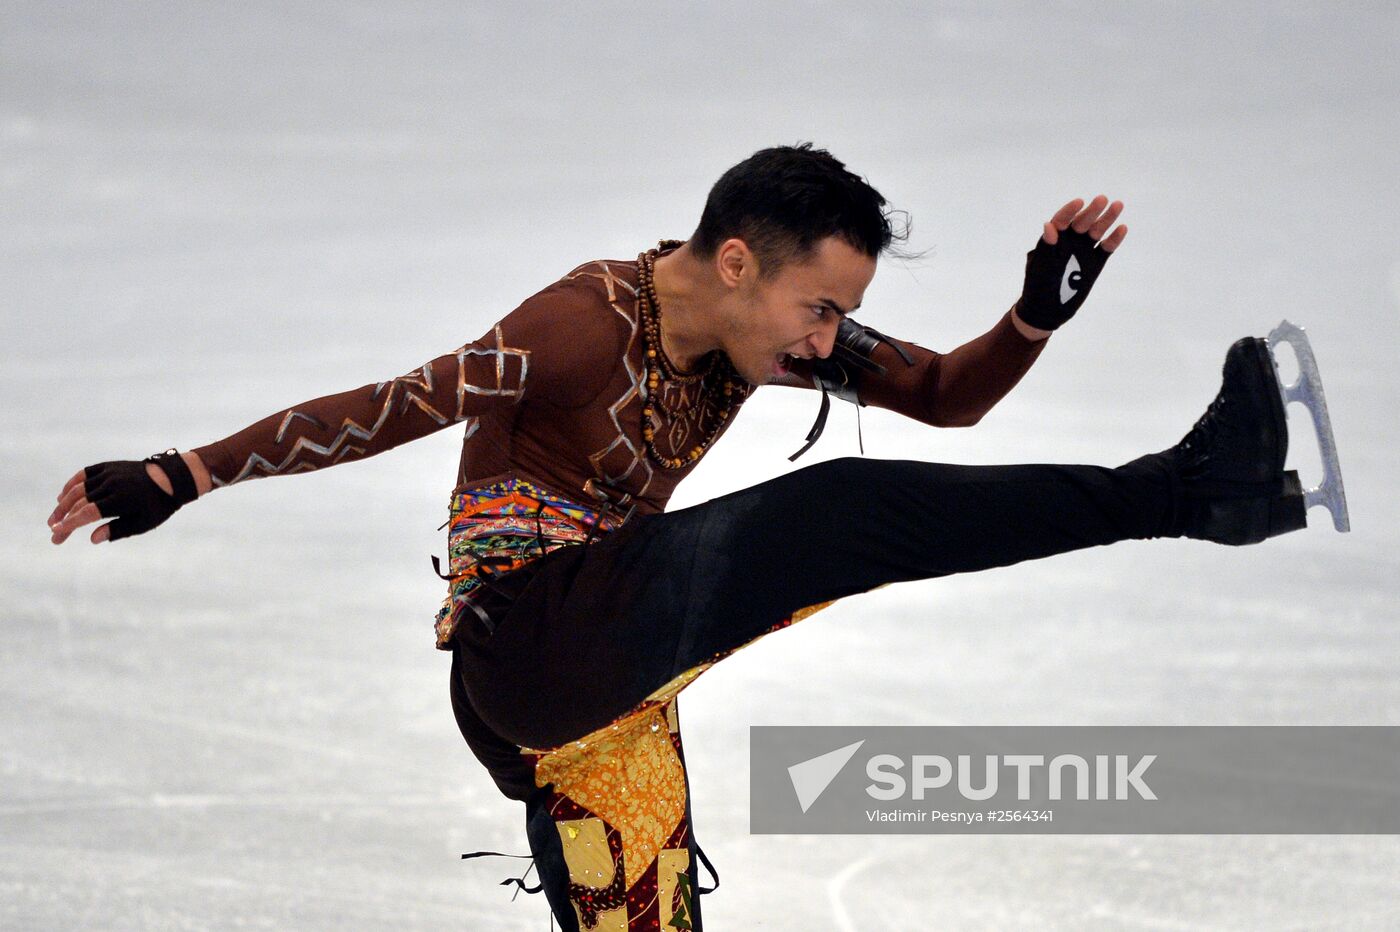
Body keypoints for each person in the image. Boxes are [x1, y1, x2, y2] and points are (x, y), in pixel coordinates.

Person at [47, 144, 1316, 930]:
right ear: (732, 262)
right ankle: (1187, 491)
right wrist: (187, 469)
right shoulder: (579, 326)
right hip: (535, 634)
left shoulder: (755, 331)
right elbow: (395, 404)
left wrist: (1030, 319)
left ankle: (1196, 495)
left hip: (597, 693)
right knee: (834, 514)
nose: (829, 340)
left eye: (842, 314)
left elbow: (944, 397)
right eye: (820, 307)